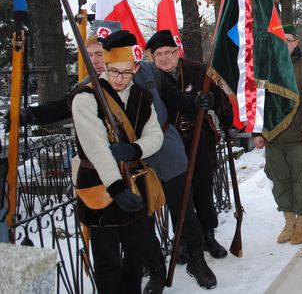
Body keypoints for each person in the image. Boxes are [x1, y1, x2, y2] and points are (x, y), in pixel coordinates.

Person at [25, 28, 218, 291]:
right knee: (139, 225)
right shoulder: (88, 88)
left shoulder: (149, 74)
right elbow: (63, 107)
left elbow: (174, 98)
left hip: (161, 147)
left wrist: (198, 101)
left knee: (182, 206)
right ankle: (157, 272)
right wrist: (32, 115)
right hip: (125, 167)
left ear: (134, 65)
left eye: (97, 53)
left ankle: (196, 260)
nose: (118, 75)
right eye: (92, 55)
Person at [70, 30, 163, 293]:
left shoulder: (142, 95)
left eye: (126, 72)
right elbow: (96, 148)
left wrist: (135, 150)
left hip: (134, 182)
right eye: (113, 72)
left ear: (135, 67)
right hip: (101, 187)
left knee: (135, 255)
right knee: (108, 260)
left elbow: (155, 134)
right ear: (104, 67)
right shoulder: (86, 97)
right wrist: (116, 187)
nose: (120, 79)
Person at [146, 30, 233, 259]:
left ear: (177, 51)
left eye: (168, 52)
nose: (164, 58)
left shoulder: (198, 71)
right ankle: (184, 240)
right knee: (178, 194)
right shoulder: (150, 78)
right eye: (158, 54)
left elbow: (220, 96)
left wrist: (222, 112)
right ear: (153, 58)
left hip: (198, 139)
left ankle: (208, 236)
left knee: (202, 190)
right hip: (168, 144)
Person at [253, 24, 302, 245]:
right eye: (280, 39)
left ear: (296, 43)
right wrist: (258, 131)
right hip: (274, 139)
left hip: (301, 139)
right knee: (280, 181)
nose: (284, 44)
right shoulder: (267, 69)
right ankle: (289, 222)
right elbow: (258, 102)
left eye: (289, 39)